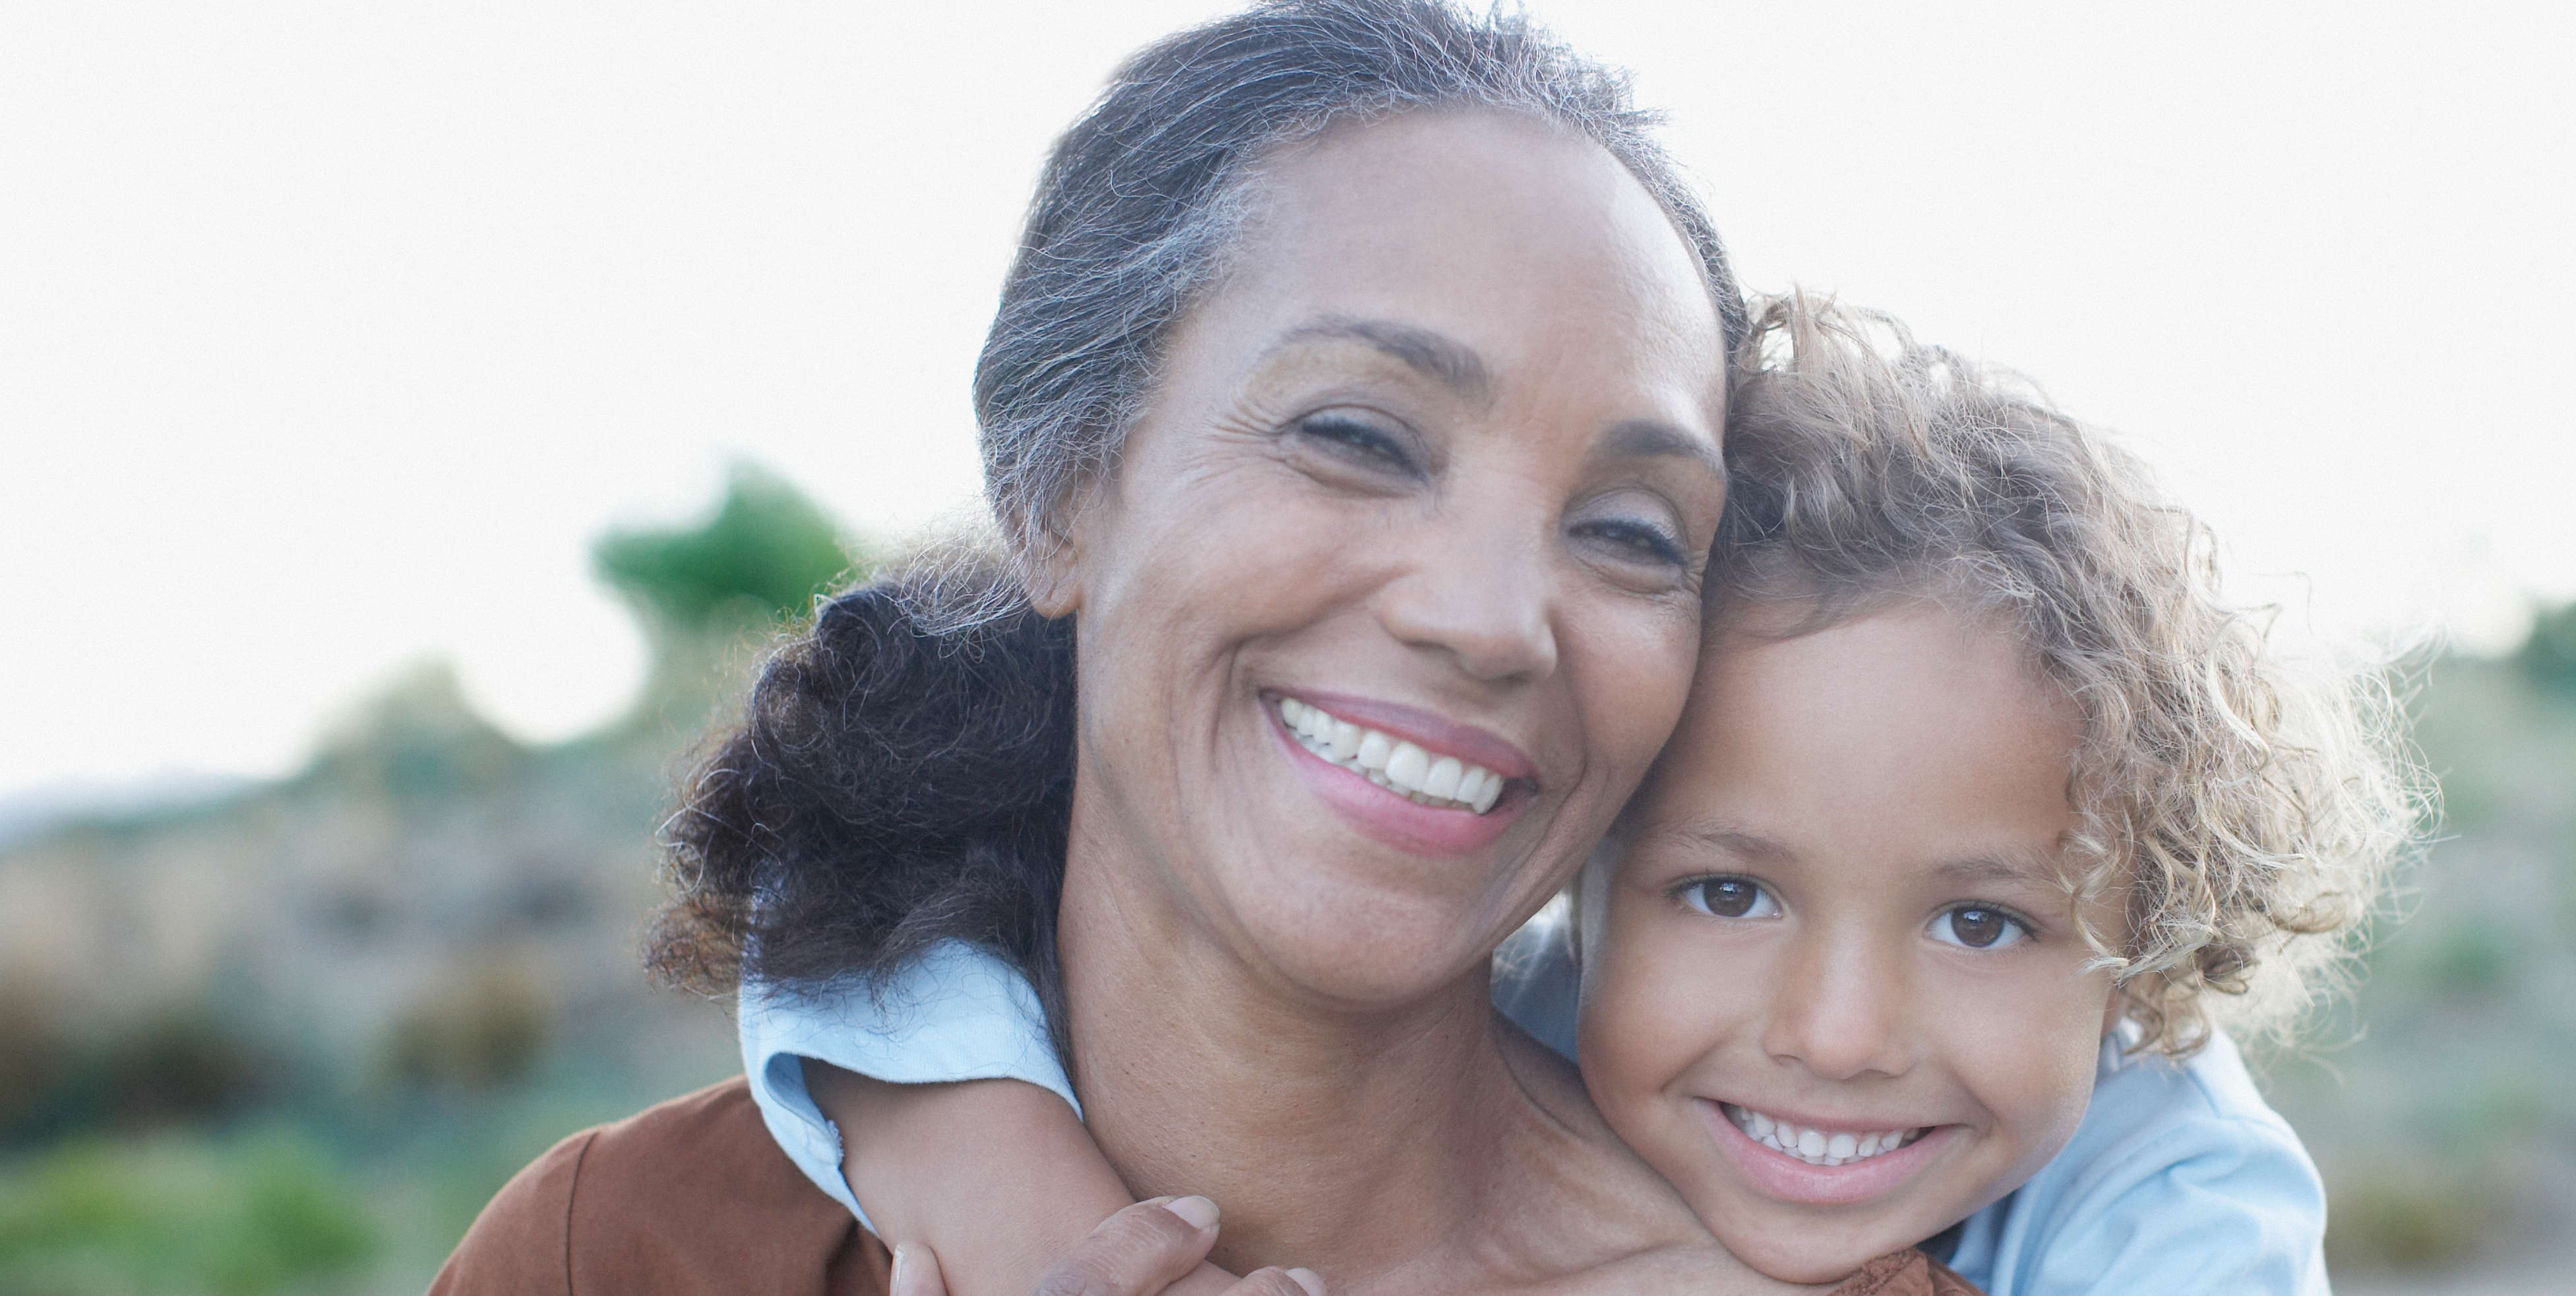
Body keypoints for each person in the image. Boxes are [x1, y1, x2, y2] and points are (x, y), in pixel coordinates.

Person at [437, 0, 1784, 1290]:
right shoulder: (612, 1253)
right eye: (1358, 439)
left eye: (1631, 532)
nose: (1490, 619)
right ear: (1055, 485)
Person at [756, 299, 2408, 1295]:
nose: (1839, 1029)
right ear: (1576, 841)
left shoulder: (2171, 1187)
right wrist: (1004, 1187)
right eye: (1728, 892)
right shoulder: (1505, 1023)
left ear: (2149, 956)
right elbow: (859, 904)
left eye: (1984, 920)